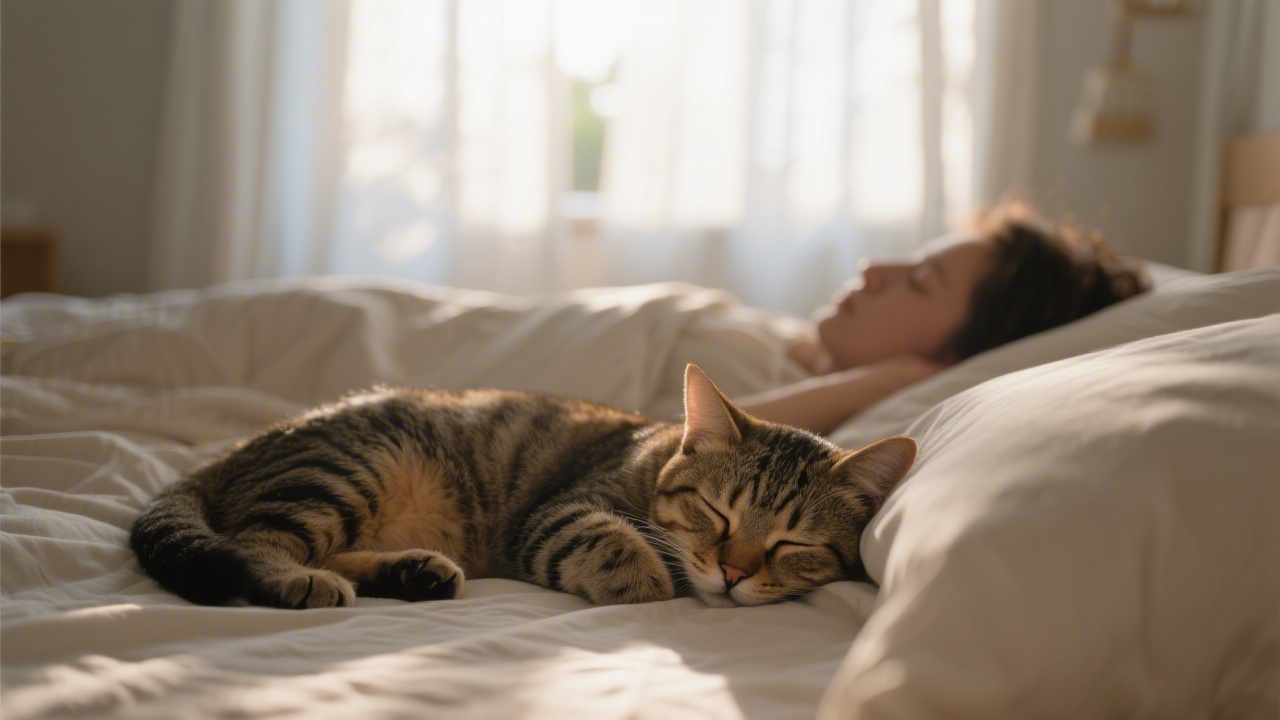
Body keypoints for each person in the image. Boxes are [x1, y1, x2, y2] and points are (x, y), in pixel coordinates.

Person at [737, 201, 1149, 435]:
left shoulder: (867, 423)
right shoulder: (770, 344)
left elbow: (677, 450)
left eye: (919, 281)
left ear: (949, 358)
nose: (872, 268)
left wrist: (880, 382)